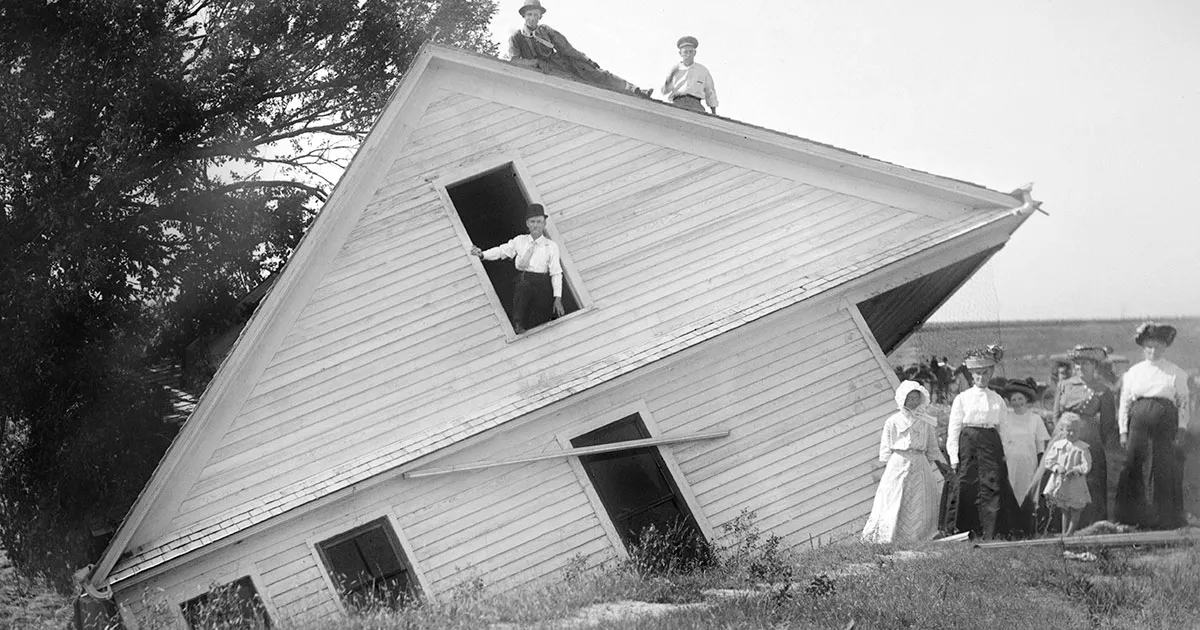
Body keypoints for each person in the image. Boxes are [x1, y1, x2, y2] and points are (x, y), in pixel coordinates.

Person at [1114, 322, 1191, 529]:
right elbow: (1125, 402)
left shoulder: (1175, 373)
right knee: (1133, 463)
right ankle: (1131, 516)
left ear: (1165, 347)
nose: (1153, 350)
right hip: (1138, 420)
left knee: (1163, 465)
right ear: (1143, 348)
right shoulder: (1133, 373)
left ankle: (1165, 517)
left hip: (1166, 422)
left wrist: (1182, 428)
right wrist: (1123, 431)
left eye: (1157, 346)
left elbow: (1183, 403)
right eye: (1149, 346)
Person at [945, 346, 1023, 539]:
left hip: (990, 443)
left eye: (986, 373)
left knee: (993, 483)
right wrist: (953, 456)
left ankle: (994, 529)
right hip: (968, 442)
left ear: (991, 373)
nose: (982, 377)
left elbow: (1003, 428)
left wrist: (1004, 453)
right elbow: (954, 429)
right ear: (972, 375)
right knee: (966, 483)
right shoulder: (962, 399)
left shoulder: (997, 399)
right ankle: (964, 529)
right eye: (978, 373)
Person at [862, 381, 949, 543]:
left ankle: (920, 535)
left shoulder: (926, 421)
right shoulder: (893, 421)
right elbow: (886, 446)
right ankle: (889, 535)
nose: (913, 402)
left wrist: (925, 462)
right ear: (902, 399)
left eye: (916, 398)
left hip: (920, 462)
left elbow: (931, 446)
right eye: (910, 399)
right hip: (899, 462)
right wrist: (890, 466)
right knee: (894, 497)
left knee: (920, 499)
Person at [505, 1, 651, 98]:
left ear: (540, 16)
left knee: (599, 75)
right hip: (543, 73)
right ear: (524, 16)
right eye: (529, 14)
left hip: (563, 65)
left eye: (536, 15)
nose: (532, 18)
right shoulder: (517, 37)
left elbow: (567, 49)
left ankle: (635, 90)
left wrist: (586, 59)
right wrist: (535, 63)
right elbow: (514, 60)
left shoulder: (546, 30)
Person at [470, 203, 564, 334]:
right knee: (522, 287)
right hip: (525, 279)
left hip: (542, 283)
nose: (536, 225)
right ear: (527, 223)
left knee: (542, 313)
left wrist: (558, 298)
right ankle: (518, 323)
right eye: (532, 221)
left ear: (544, 223)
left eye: (539, 221)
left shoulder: (551, 246)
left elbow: (556, 273)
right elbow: (502, 251)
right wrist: (483, 254)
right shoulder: (520, 241)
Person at [1053, 345, 1118, 526]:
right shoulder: (1064, 385)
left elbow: (1107, 423)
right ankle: (1055, 522)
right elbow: (1056, 414)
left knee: (1089, 478)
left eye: (1085, 364)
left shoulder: (1103, 390)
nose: (1080, 367)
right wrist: (1058, 436)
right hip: (1062, 436)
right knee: (1057, 476)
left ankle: (1089, 521)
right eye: (1077, 364)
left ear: (1094, 366)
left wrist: (1097, 441)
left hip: (1088, 437)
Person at [1001, 378, 1051, 519]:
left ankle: (1028, 522)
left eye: (1020, 398)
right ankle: (1012, 524)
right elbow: (1003, 441)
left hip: (1029, 461)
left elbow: (1040, 444)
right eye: (1014, 399)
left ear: (1027, 399)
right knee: (1011, 490)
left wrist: (1040, 462)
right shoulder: (1006, 418)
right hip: (1011, 462)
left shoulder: (1035, 419)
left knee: (1028, 491)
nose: (1018, 402)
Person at [1042, 413, 1093, 536]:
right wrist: (1057, 467)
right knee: (1064, 508)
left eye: (1075, 431)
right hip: (1061, 482)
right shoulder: (1058, 446)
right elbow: (1048, 460)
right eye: (1068, 431)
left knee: (1076, 508)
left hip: (1075, 483)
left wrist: (1075, 470)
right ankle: (1064, 532)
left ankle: (1070, 531)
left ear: (1080, 430)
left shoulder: (1082, 448)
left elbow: (1086, 465)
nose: (1071, 434)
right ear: (1062, 430)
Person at [660, 36, 718, 114]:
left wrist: (714, 113)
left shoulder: (702, 71)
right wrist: (669, 79)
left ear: (695, 53)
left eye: (691, 52)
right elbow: (664, 91)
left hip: (696, 104)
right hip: (678, 103)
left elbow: (710, 92)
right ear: (680, 53)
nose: (688, 54)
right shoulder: (675, 69)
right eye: (685, 52)